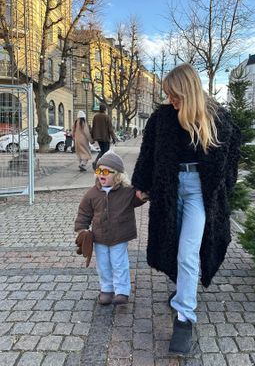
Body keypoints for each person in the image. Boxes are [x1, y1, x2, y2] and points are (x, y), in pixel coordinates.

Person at [132, 63, 241, 355]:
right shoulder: (161, 118)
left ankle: (184, 317)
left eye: (175, 94)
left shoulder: (218, 118)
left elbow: (230, 161)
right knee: (171, 243)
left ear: (188, 90)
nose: (171, 100)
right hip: (169, 187)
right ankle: (183, 289)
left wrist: (223, 191)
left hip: (200, 192)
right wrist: (141, 183)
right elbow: (148, 153)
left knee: (189, 250)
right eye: (169, 95)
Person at [74, 151, 147, 305]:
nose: (101, 174)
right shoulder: (92, 193)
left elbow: (138, 199)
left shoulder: (127, 192)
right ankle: (106, 289)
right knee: (103, 264)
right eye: (99, 171)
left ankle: (122, 291)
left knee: (119, 263)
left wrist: (143, 195)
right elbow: (84, 212)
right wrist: (82, 229)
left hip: (119, 236)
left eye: (106, 171)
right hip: (99, 237)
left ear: (117, 175)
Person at [91, 103, 116, 170]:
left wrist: (92, 137)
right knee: (105, 151)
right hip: (105, 137)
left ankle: (98, 163)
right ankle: (97, 163)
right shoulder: (107, 117)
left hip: (98, 138)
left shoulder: (95, 116)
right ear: (105, 109)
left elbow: (93, 127)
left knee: (103, 151)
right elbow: (110, 129)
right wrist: (114, 138)